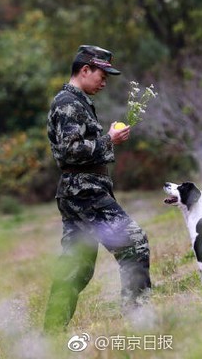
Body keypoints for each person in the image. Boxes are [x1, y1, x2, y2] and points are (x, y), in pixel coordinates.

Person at [43, 45, 151, 331]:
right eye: (102, 75)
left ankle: (51, 335)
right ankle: (138, 320)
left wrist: (107, 138)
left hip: (77, 191)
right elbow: (71, 151)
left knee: (76, 268)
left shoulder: (75, 101)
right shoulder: (68, 103)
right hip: (85, 191)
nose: (105, 82)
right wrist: (109, 140)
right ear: (85, 70)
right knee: (134, 245)